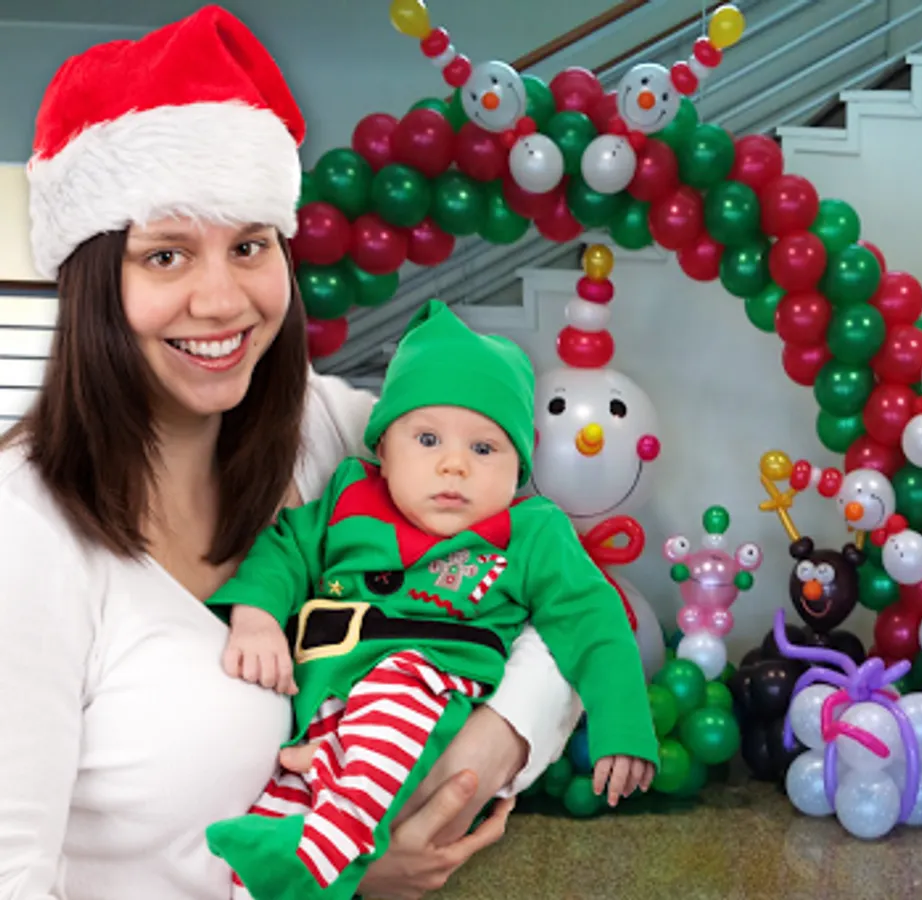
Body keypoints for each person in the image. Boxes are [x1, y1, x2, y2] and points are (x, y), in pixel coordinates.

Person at [0, 7, 583, 898]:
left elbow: (567, 584)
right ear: (91, 283)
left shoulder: (336, 436)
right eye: (165, 256)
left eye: (249, 245)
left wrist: (490, 744)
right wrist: (343, 874)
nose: (220, 299)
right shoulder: (24, 534)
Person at [204, 301, 657, 899]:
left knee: (392, 704)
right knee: (286, 795)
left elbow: (593, 617)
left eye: (484, 449)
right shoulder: (349, 498)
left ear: (519, 465)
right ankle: (262, 875)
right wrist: (257, 618)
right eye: (426, 439)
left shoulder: (531, 531)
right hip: (325, 700)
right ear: (383, 451)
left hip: (428, 689)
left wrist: (623, 724)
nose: (454, 465)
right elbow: (283, 550)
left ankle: (318, 857)